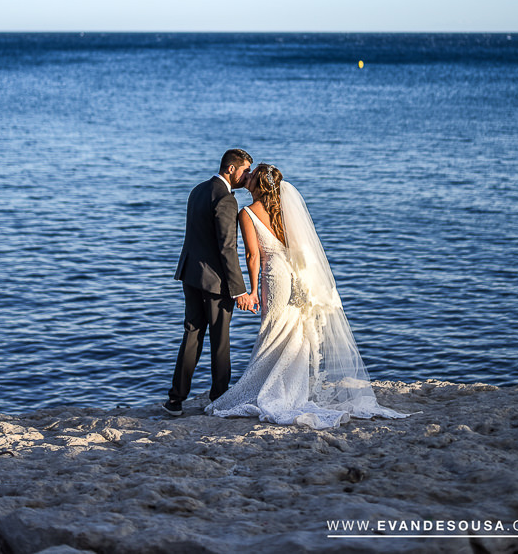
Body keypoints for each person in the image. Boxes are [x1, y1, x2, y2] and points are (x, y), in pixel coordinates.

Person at [206, 163, 410, 429]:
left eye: (252, 175)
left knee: (273, 328)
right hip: (295, 275)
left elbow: (253, 255)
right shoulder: (283, 211)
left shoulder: (247, 213)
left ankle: (270, 389)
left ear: (258, 183)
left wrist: (253, 290)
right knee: (295, 331)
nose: (248, 178)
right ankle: (293, 389)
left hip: (274, 275)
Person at [163, 149, 258, 416]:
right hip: (215, 282)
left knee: (192, 334)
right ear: (231, 169)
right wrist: (239, 290)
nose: (247, 175)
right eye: (245, 170)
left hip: (190, 274)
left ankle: (175, 401)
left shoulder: (198, 190)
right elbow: (227, 248)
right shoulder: (226, 200)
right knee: (220, 340)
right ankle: (219, 397)